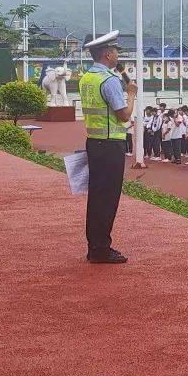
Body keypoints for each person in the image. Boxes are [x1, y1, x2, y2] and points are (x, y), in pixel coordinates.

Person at [78, 31, 136, 264]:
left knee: (96, 197)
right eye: (115, 52)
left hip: (94, 141)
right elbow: (123, 115)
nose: (117, 56)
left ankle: (95, 245)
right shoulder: (109, 80)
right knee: (108, 198)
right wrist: (131, 95)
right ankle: (101, 248)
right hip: (111, 144)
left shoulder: (86, 79)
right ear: (107, 54)